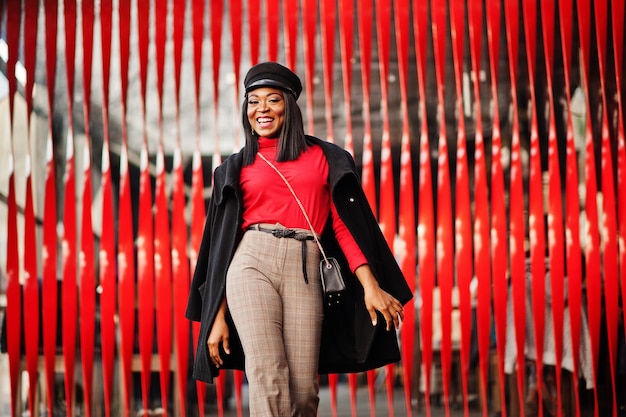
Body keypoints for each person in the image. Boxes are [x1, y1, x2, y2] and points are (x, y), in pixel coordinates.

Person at [186, 61, 413, 417]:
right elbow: (220, 248)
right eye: (252, 101)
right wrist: (216, 315)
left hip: (306, 267)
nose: (261, 109)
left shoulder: (327, 158)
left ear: (289, 106)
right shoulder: (233, 168)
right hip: (251, 263)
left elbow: (342, 227)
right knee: (268, 375)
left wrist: (370, 284)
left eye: (272, 100)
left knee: (304, 390)